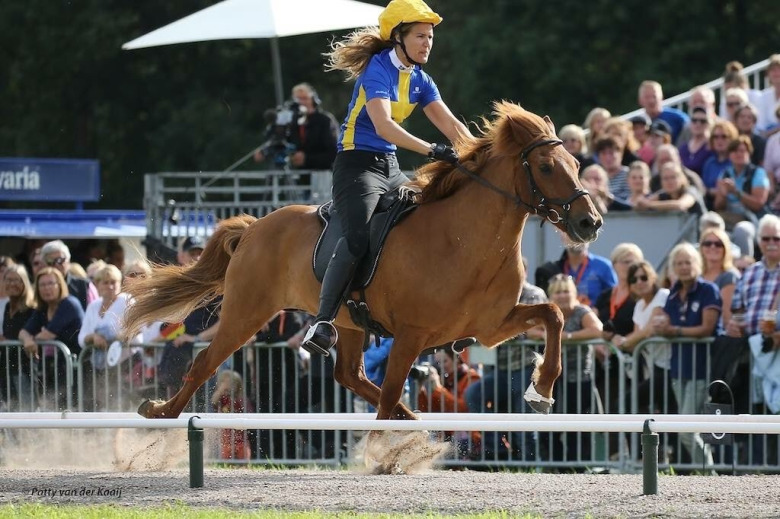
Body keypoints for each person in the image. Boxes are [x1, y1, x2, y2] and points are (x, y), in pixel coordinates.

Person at [303, 0, 474, 354]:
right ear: (399, 37)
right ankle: (322, 321)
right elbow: (384, 125)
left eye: (430, 37)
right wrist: (432, 149)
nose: (428, 43)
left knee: (430, 223)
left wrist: (482, 154)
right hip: (356, 165)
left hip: (391, 168)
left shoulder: (421, 80)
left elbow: (453, 125)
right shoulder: (377, 70)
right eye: (420, 36)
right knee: (357, 238)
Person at [464, 275, 547, 461]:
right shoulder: (498, 295)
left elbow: (536, 331)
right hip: (501, 368)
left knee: (523, 416)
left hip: (527, 367)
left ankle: (529, 462)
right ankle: (497, 451)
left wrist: (501, 329)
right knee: (473, 395)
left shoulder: (533, 294)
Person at [654, 242, 721, 466]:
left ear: (697, 263)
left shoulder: (708, 290)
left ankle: (709, 475)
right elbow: (666, 321)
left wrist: (676, 331)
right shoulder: (673, 293)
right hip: (678, 368)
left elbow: (707, 328)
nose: (684, 267)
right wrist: (662, 325)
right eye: (679, 263)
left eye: (688, 262)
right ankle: (706, 473)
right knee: (689, 427)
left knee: (686, 430)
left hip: (700, 368)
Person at [542, 274, 603, 461]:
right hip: (554, 380)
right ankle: (556, 465)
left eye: (566, 291)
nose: (562, 295)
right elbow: (530, 330)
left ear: (574, 293)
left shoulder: (581, 311)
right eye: (558, 292)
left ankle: (578, 465)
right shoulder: (548, 312)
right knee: (549, 426)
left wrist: (565, 336)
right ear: (551, 295)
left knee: (577, 427)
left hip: (579, 379)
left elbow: (597, 329)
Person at [18, 267, 85, 410]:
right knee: (55, 407)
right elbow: (23, 332)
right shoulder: (42, 308)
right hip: (58, 368)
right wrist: (28, 340)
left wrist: (32, 339)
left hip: (78, 367)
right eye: (42, 285)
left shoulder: (69, 304)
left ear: (60, 285)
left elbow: (48, 334)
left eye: (50, 284)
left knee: (75, 408)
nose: (46, 288)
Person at [78, 264, 137, 411]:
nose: (110, 286)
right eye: (105, 282)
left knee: (121, 400)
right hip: (99, 363)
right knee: (99, 399)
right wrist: (93, 338)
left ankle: (119, 433)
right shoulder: (93, 306)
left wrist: (116, 337)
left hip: (125, 361)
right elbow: (82, 337)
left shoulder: (127, 301)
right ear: (97, 284)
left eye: (113, 282)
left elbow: (137, 328)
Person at [595, 243, 643, 420]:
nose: (629, 266)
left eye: (633, 262)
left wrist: (623, 342)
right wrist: (597, 343)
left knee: (634, 411)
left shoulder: (641, 294)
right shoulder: (605, 295)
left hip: (633, 361)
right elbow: (595, 323)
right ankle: (613, 449)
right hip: (606, 364)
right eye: (624, 262)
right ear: (614, 265)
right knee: (608, 411)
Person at [618, 261, 673, 415]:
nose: (639, 282)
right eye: (633, 280)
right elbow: (635, 343)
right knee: (629, 406)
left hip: (670, 367)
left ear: (653, 277)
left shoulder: (663, 295)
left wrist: (623, 341)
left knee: (669, 416)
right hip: (654, 368)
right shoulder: (639, 304)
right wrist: (621, 341)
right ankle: (639, 440)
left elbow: (649, 331)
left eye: (643, 277)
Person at [254, 83, 339, 171]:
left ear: (313, 101)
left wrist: (306, 159)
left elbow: (334, 153)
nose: (302, 103)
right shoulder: (291, 121)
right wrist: (263, 151)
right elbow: (278, 141)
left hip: (322, 175)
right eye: (298, 99)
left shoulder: (325, 120)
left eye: (305, 98)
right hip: (296, 175)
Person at [416, 347, 481, 456]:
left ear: (456, 359)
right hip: (448, 436)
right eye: (438, 362)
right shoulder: (445, 380)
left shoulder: (472, 377)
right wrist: (420, 389)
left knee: (440, 456)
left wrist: (439, 388)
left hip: (471, 437)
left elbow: (462, 408)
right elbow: (429, 412)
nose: (441, 366)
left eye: (445, 361)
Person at [714, 135, 770, 256]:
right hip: (729, 218)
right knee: (709, 223)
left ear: (749, 153)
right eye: (734, 151)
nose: (738, 154)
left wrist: (736, 192)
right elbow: (718, 205)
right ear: (729, 154)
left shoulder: (758, 173)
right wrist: (723, 194)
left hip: (752, 220)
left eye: (742, 150)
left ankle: (745, 265)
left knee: (742, 230)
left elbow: (758, 204)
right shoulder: (725, 174)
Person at [535, 232, 616, 308]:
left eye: (582, 233)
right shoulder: (550, 270)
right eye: (571, 234)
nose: (577, 238)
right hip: (564, 318)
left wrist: (599, 311)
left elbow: (613, 296)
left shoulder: (604, 266)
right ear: (562, 237)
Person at [0, 264, 36, 411]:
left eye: (17, 280)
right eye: (8, 280)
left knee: (25, 409)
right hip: (6, 367)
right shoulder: (8, 307)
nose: (12, 284)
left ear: (24, 282)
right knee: (8, 408)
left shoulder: (31, 308)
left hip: (25, 368)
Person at [699, 228, 740, 328]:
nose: (713, 247)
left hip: (718, 336)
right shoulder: (697, 276)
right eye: (708, 243)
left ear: (725, 249)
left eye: (718, 244)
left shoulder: (730, 276)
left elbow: (726, 315)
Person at [40, 240, 97, 311]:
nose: (56, 265)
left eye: (60, 260)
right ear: (44, 265)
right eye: (50, 262)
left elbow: (95, 313)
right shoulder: (39, 287)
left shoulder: (84, 285)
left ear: (68, 261)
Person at [211, 369, 253, 461]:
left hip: (241, 440)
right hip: (226, 440)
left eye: (230, 383)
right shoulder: (221, 399)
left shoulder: (241, 399)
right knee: (225, 461)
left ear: (237, 385)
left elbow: (248, 412)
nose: (227, 387)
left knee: (243, 462)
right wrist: (220, 391)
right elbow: (213, 402)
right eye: (223, 383)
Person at [635, 163, 706, 217]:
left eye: (673, 177)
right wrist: (640, 202)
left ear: (681, 178)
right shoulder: (662, 194)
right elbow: (643, 203)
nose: (669, 181)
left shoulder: (691, 191)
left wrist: (650, 205)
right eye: (665, 178)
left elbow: (681, 205)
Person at [701, 120, 739, 209]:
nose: (719, 140)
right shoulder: (709, 163)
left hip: (732, 207)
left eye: (724, 137)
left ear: (732, 139)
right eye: (716, 137)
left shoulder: (737, 162)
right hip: (710, 205)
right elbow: (704, 189)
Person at [593, 137, 631, 203]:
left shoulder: (629, 174)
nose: (607, 157)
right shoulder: (595, 175)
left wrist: (606, 196)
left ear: (620, 154)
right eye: (603, 153)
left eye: (611, 153)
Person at [678, 107, 713, 176]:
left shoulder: (712, 146)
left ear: (709, 124)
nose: (698, 124)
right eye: (694, 120)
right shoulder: (684, 147)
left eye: (702, 121)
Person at [757, 54, 780, 134]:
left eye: (779, 69)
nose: (776, 73)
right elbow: (760, 124)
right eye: (773, 70)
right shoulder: (764, 95)